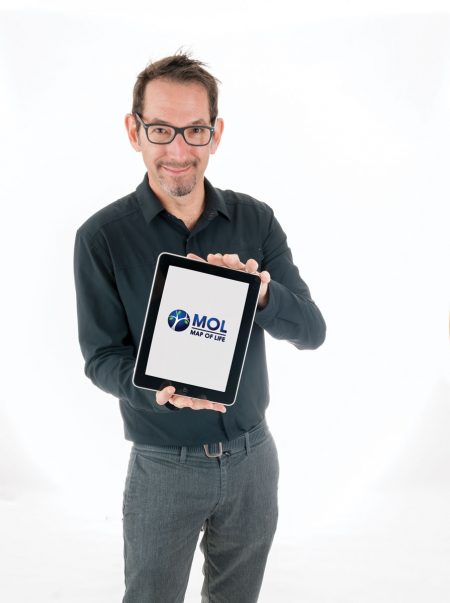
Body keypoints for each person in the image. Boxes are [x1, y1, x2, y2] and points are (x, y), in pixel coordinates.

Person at [74, 53, 326, 603]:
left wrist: (262, 294)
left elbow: (311, 330)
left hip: (254, 459)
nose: (179, 150)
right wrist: (154, 388)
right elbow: (100, 357)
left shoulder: (255, 220)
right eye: (162, 130)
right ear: (134, 131)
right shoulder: (102, 237)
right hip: (163, 467)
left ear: (216, 134)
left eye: (195, 130)